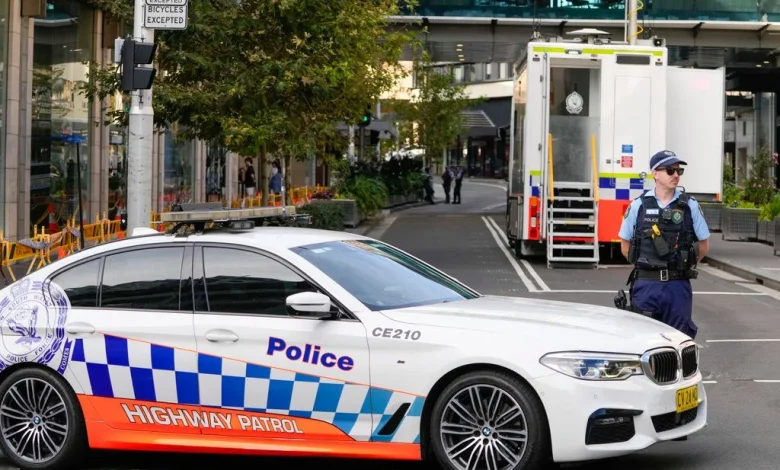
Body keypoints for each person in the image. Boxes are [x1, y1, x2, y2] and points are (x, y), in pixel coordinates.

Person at [618, 150, 710, 339]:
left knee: (679, 340)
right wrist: (645, 264)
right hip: (646, 285)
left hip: (677, 285)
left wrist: (686, 264)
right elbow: (625, 243)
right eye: (670, 170)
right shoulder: (638, 205)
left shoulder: (689, 205)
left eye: (678, 171)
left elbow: (703, 244)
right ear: (655, 173)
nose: (676, 175)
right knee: (642, 339)